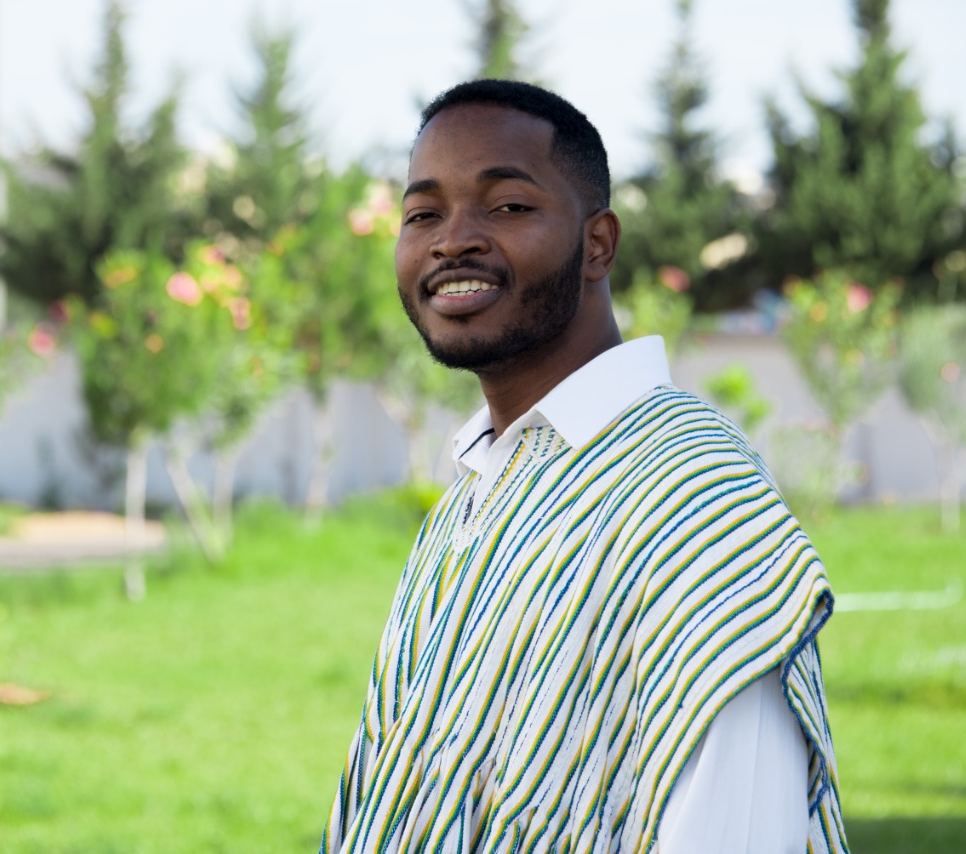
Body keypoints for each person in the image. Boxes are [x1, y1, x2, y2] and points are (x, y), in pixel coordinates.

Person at [320, 79, 846, 854]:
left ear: (598, 243)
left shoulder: (688, 492)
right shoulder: (479, 489)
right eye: (422, 213)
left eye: (507, 206)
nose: (451, 239)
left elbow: (736, 827)